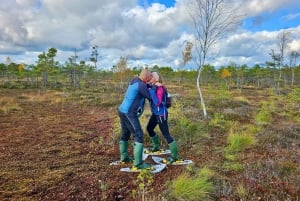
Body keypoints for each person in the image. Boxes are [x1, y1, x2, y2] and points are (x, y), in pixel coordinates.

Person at [118, 68, 153, 169]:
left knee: (125, 134)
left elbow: (144, 86)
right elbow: (150, 97)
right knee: (138, 134)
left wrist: (148, 85)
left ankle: (124, 158)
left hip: (122, 110)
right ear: (146, 78)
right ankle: (138, 164)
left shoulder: (135, 80)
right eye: (150, 77)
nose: (151, 79)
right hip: (129, 113)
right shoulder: (141, 85)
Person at [147, 72, 179, 163]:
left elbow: (158, 102)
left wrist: (151, 91)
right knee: (149, 128)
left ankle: (175, 156)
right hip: (155, 113)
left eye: (151, 77)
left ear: (155, 78)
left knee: (166, 134)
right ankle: (156, 147)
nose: (150, 78)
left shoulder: (160, 88)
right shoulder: (153, 86)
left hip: (161, 114)